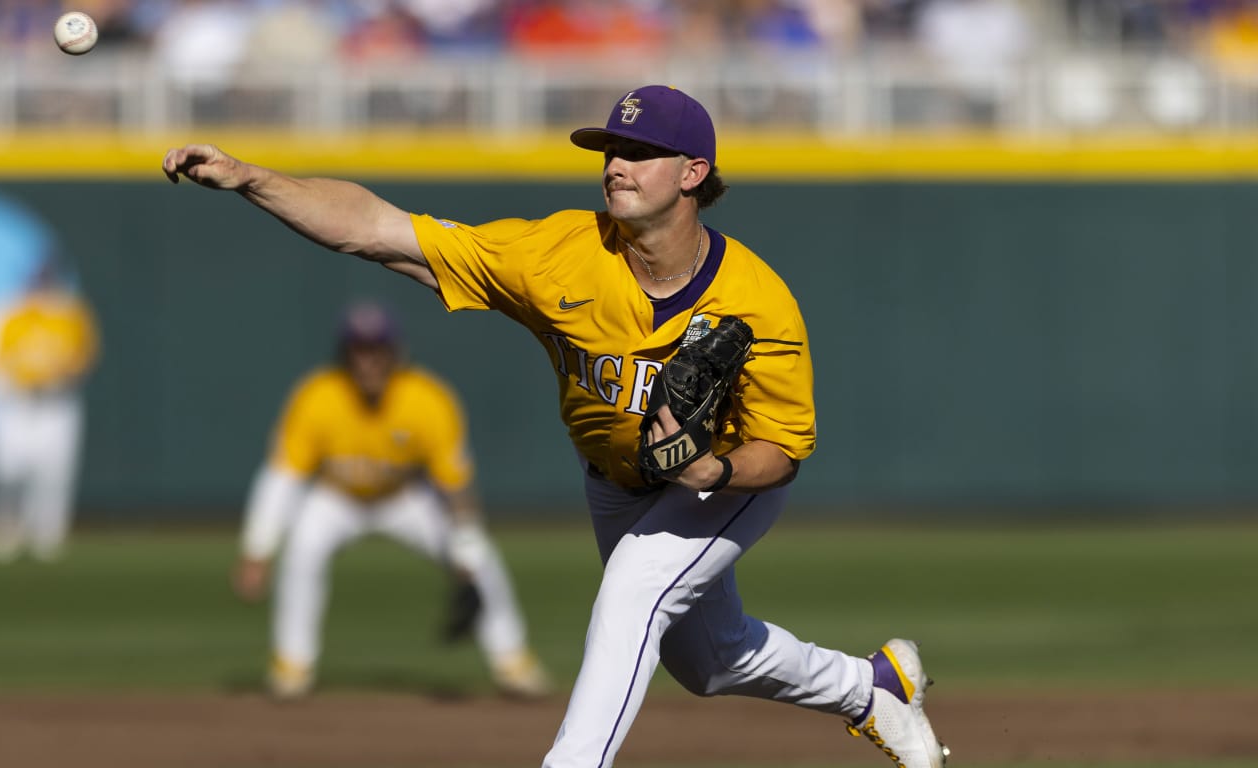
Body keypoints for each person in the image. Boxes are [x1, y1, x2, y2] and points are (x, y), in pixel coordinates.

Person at [162, 84, 948, 768]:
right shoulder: (557, 255)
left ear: (693, 173)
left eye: (640, 151)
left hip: (726, 483)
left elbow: (783, 452)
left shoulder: (757, 299)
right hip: (615, 480)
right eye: (610, 148)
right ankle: (871, 688)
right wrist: (251, 178)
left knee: (634, 588)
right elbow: (379, 230)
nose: (615, 164)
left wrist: (712, 472)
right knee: (709, 661)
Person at [236, 301, 549, 700]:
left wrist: (465, 559)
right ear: (344, 355)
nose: (368, 361)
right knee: (302, 547)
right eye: (358, 350)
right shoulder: (318, 397)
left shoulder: (427, 398)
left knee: (482, 559)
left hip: (405, 500)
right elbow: (282, 478)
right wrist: (257, 550)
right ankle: (291, 667)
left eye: (376, 350)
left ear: (395, 354)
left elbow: (455, 488)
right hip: (336, 498)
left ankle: (513, 663)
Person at [0, 260, 99, 564]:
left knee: (54, 474)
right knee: (9, 471)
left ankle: (48, 536)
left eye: (46, 282)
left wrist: (63, 373)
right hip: (17, 404)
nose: (41, 288)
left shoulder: (69, 313)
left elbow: (85, 356)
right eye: (37, 282)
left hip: (57, 402)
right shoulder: (9, 313)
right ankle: (5, 530)